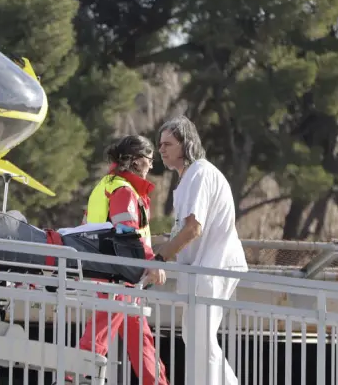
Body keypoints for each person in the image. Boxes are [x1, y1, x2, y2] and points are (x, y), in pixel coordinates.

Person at [155, 116, 248, 385]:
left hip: (213, 266)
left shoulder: (199, 173)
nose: (161, 149)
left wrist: (160, 258)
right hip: (202, 269)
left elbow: (193, 228)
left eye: (168, 144)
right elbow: (183, 231)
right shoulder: (187, 179)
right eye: (160, 144)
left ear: (186, 144)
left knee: (200, 339)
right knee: (196, 338)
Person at [76, 135, 168, 385]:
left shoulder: (107, 185)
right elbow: (127, 233)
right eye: (149, 160)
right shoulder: (124, 190)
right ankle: (72, 378)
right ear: (137, 161)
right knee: (98, 338)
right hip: (117, 277)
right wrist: (151, 262)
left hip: (116, 276)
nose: (151, 166)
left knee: (141, 342)